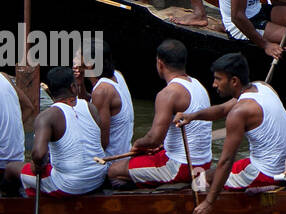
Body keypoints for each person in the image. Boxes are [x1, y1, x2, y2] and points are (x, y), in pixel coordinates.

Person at [176, 53, 286, 214]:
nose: (214, 84)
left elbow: (226, 161)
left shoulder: (240, 112)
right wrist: (191, 116)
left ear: (234, 81)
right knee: (212, 173)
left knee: (202, 180)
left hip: (266, 172)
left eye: (218, 79)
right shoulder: (262, 87)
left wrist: (209, 203)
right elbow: (222, 110)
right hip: (283, 166)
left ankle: (200, 209)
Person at [108, 40, 212, 187]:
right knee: (147, 156)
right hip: (204, 164)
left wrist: (137, 144)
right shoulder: (198, 84)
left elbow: (154, 139)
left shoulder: (167, 94)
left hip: (181, 167)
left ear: (160, 63)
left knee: (113, 170)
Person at [21, 66, 106, 197]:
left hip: (70, 185)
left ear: (48, 90)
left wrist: (37, 166)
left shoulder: (46, 116)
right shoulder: (91, 107)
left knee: (12, 169)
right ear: (73, 87)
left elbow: (38, 155)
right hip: (99, 177)